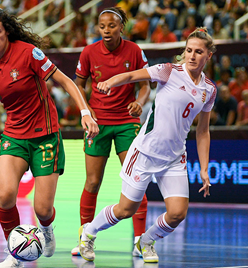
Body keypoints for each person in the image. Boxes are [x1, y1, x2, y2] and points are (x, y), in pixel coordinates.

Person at [0, 7, 99, 268]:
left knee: (42, 210)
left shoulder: (28, 53)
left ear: (7, 31)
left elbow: (66, 81)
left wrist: (85, 113)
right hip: (14, 136)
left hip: (46, 136)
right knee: (5, 197)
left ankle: (46, 231)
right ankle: (16, 252)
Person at [77, 27, 216, 264]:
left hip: (174, 158)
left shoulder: (209, 90)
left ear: (208, 55)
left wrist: (204, 168)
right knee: (125, 210)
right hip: (145, 152)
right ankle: (89, 233)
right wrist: (111, 81)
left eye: (198, 52)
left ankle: (146, 241)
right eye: (189, 50)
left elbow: (202, 131)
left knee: (177, 213)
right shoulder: (169, 71)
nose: (192, 56)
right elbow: (133, 76)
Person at [71, 7, 151, 258]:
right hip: (97, 123)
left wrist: (140, 101)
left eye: (112, 25)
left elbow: (145, 84)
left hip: (127, 122)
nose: (106, 30)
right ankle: (85, 237)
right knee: (93, 182)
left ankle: (141, 240)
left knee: (135, 181)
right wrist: (85, 111)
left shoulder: (135, 51)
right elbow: (78, 84)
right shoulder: (88, 52)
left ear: (121, 27)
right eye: (102, 26)